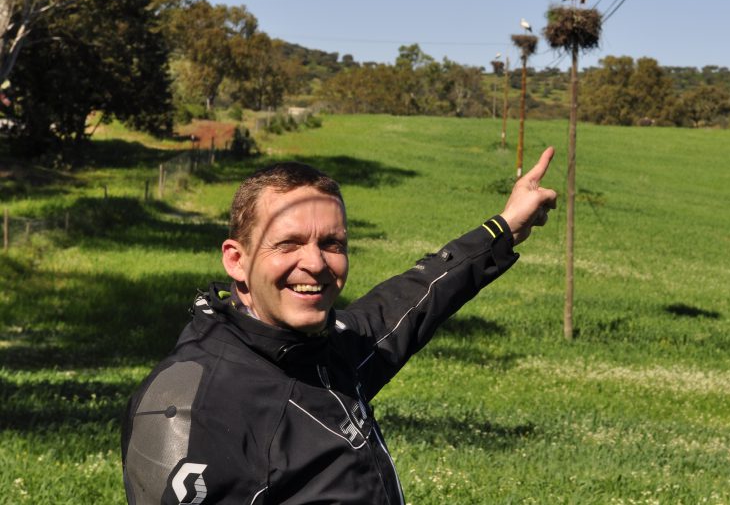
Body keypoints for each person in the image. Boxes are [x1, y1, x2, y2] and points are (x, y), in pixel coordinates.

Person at [121, 148, 557, 504]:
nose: (315, 264)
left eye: (332, 243)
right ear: (237, 259)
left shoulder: (324, 347)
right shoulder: (194, 410)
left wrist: (505, 227)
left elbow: (414, 298)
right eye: (287, 243)